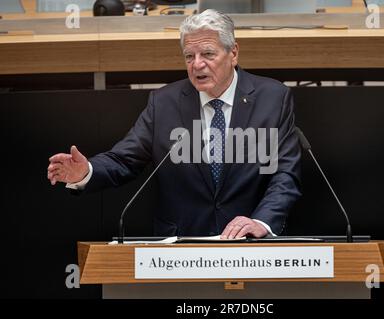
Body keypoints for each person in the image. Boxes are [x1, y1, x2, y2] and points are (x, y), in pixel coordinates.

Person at [47, 9, 301, 239]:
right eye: (189, 56)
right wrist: (86, 172)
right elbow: (125, 159)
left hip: (250, 245)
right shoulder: (164, 103)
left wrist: (261, 222)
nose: (197, 64)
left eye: (208, 54)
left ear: (233, 53)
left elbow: (285, 174)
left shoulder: (273, 98)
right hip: (180, 246)